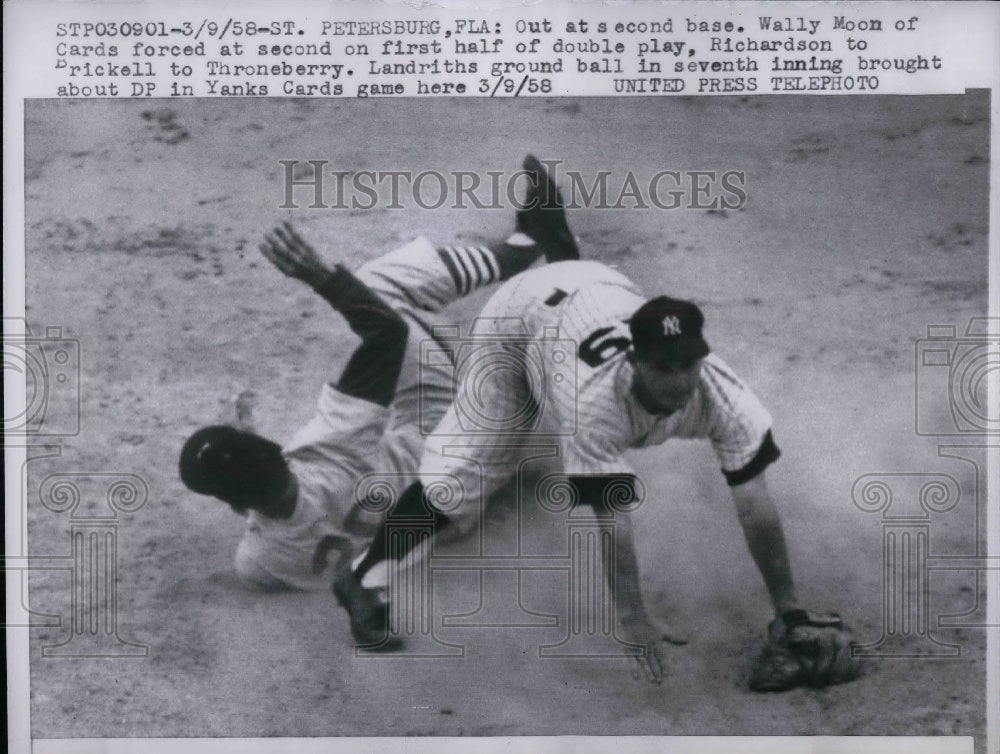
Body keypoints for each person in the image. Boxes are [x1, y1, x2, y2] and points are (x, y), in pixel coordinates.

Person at [336, 215, 857, 687]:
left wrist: (790, 612)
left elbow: (754, 503)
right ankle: (363, 577)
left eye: (688, 363)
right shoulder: (595, 405)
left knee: (542, 428)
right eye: (664, 366)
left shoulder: (724, 394)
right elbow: (614, 523)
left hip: (596, 288)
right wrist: (634, 621)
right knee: (465, 479)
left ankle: (560, 247)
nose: (679, 381)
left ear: (703, 355)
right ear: (635, 361)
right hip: (516, 326)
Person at [178, 156, 579, 607]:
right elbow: (387, 334)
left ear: (233, 504)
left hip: (451, 513)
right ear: (277, 452)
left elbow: (272, 519)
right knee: (380, 287)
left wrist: (241, 470)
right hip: (472, 434)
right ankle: (532, 243)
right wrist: (321, 279)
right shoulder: (330, 448)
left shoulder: (259, 562)